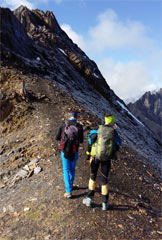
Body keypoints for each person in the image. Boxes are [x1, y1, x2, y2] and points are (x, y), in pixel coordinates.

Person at [83, 114, 122, 210]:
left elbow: (90, 141)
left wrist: (88, 155)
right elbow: (119, 144)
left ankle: (89, 198)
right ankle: (104, 203)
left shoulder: (97, 130)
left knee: (93, 176)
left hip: (95, 157)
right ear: (112, 122)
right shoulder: (114, 133)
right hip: (106, 159)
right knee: (104, 180)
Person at [56, 111, 83, 199]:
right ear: (76, 117)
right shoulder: (79, 126)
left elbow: (57, 137)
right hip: (75, 150)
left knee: (66, 170)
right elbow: (81, 140)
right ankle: (70, 185)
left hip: (65, 150)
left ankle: (68, 191)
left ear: (69, 116)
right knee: (72, 169)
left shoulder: (63, 125)